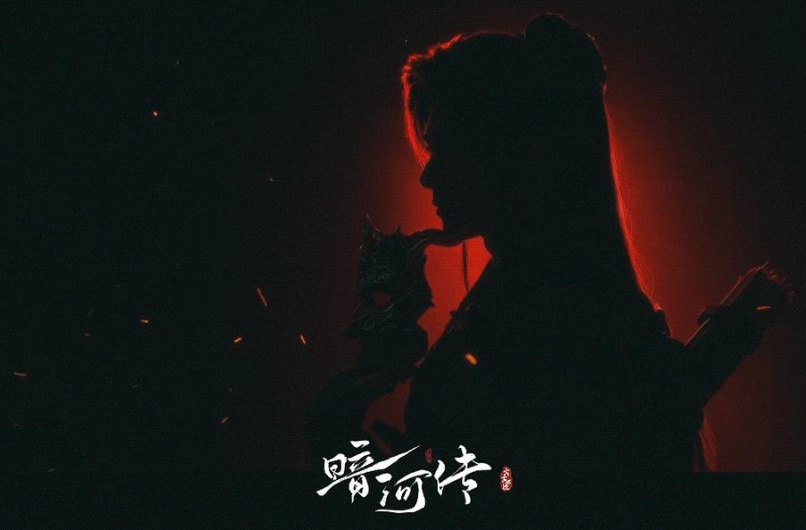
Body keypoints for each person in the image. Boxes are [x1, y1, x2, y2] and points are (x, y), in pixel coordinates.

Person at [306, 13, 715, 523]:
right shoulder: (551, 296)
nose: (428, 176)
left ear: (511, 151)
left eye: (447, 147)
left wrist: (350, 432)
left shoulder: (549, 316)